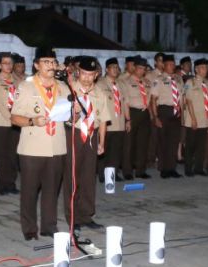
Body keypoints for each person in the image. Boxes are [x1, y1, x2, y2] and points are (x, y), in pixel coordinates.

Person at [10, 47, 71, 240]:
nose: (51, 65)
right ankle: (29, 229)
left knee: (52, 190)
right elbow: (14, 117)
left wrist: (75, 114)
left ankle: (49, 226)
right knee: (30, 190)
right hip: (32, 147)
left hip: (57, 146)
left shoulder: (63, 87)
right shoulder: (26, 86)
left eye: (53, 62)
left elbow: (69, 116)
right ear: (36, 65)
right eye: (46, 62)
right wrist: (32, 121)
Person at [63, 56, 108, 231]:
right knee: (72, 177)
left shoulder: (100, 93)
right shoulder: (69, 88)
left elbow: (103, 120)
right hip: (73, 133)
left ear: (96, 75)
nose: (87, 78)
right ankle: (72, 217)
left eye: (91, 74)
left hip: (91, 135)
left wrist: (101, 142)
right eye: (84, 73)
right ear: (78, 73)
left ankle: (86, 215)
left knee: (89, 177)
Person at [0, 52, 21, 195]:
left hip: (15, 122)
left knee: (13, 155)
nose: (8, 65)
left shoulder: (17, 81)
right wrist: (12, 118)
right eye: (5, 63)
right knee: (2, 154)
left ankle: (11, 183)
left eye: (10, 63)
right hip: (1, 122)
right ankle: (2, 185)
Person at [150, 54, 183, 178]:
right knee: (163, 141)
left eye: (173, 64)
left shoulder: (178, 79)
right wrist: (155, 117)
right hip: (164, 110)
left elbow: (181, 96)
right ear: (163, 65)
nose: (171, 66)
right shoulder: (158, 80)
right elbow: (153, 99)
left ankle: (172, 168)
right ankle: (163, 169)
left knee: (174, 141)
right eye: (169, 64)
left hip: (176, 111)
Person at [97, 58, 126, 180]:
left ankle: (112, 175)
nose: (115, 69)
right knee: (104, 150)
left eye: (117, 67)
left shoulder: (121, 84)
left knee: (116, 151)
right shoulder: (100, 84)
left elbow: (124, 103)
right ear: (107, 69)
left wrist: (128, 120)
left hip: (119, 122)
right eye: (112, 67)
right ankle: (102, 175)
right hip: (106, 123)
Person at [122, 57, 152, 179]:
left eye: (144, 69)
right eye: (139, 68)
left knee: (143, 144)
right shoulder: (126, 82)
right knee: (129, 144)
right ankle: (127, 171)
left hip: (144, 113)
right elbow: (125, 102)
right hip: (132, 113)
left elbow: (149, 98)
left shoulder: (147, 82)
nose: (142, 71)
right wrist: (128, 119)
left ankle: (140, 171)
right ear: (134, 68)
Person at [182, 59, 208, 176]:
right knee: (190, 145)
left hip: (204, 119)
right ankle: (188, 169)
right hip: (193, 119)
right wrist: (193, 119)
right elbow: (188, 101)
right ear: (196, 69)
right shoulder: (190, 83)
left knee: (201, 146)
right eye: (202, 68)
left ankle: (198, 168)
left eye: (206, 68)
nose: (205, 70)